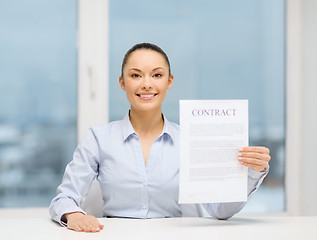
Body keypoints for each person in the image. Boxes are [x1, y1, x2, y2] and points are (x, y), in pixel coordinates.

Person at [49, 43, 271, 232]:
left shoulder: (190, 139)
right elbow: (64, 198)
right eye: (136, 75)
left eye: (157, 75)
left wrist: (251, 172)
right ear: (122, 82)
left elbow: (219, 210)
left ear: (169, 81)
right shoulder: (99, 138)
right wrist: (74, 215)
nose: (146, 83)